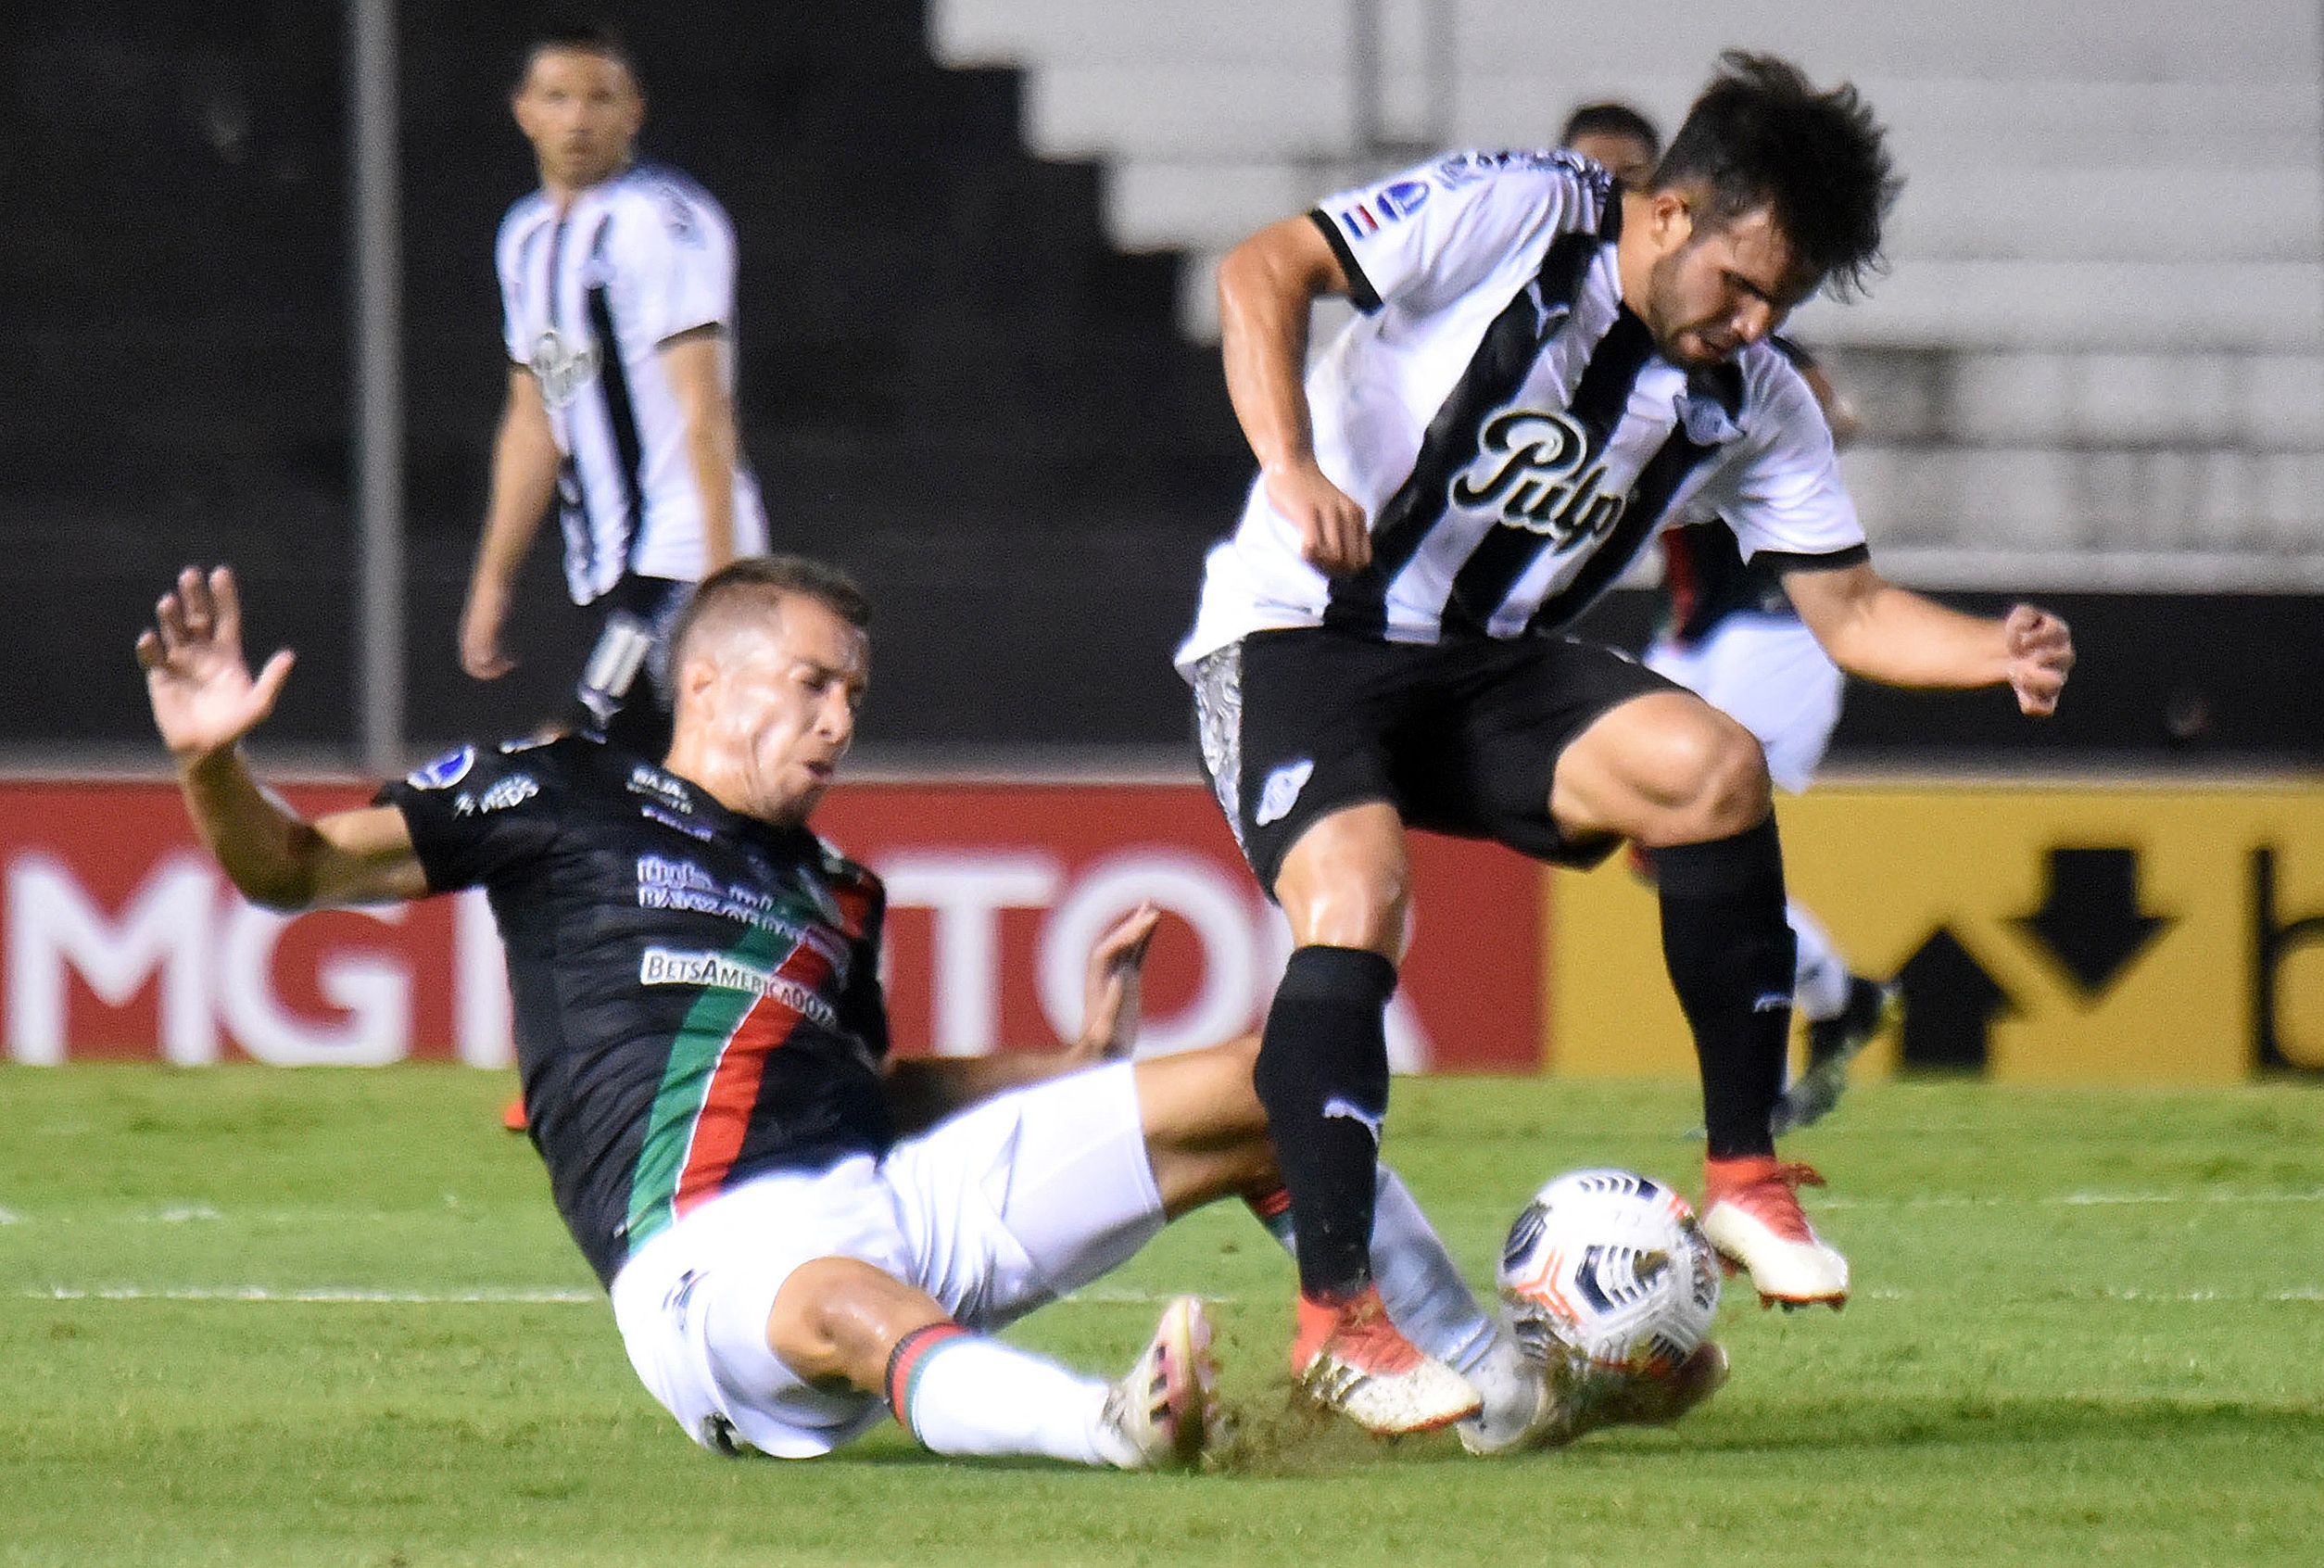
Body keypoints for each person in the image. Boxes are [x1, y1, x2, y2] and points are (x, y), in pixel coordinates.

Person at [135, 558, 1711, 1467]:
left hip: (890, 1195)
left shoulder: (835, 888)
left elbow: (868, 1085)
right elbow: (286, 870)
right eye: (813, 687)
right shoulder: (557, 793)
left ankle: (1489, 1378)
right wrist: (214, 757)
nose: (836, 723)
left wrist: (1071, 1066)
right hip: (705, 1262)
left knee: (1264, 1080)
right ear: (713, 681)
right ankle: (1107, 1426)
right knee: (836, 1297)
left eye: (853, 702)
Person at [1178, 52, 2074, 1426]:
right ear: (1669, 216)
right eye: (1742, 282)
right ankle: (1337, 1319)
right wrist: (1289, 465)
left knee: (1713, 769)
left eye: (1783, 299)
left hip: (1483, 670)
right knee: (1357, 899)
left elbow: (1855, 609)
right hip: (1297, 636)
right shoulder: (1521, 215)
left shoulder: (1752, 392)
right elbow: (1261, 270)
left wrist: (1988, 649)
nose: (1756, 320)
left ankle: (1741, 1171)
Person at [1561, 101, 1900, 1135]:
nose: (1604, 190)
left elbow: (1816, 398)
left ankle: (1778, 1070)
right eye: (1585, 172)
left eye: (1624, 170)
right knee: (1645, 831)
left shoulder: (1722, 320)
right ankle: (1839, 997)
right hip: (1695, 623)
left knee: (1686, 827)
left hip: (1776, 625)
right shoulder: (1567, 311)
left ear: (1667, 195)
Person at [459, 23, 768, 763]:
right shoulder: (525, 237)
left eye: (600, 98)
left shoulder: (660, 222)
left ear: (635, 110)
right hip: (606, 567)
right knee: (650, 789)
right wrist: (493, 581)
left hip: (684, 555)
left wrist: (722, 589)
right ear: (523, 111)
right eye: (558, 97)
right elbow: (535, 419)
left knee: (569, 757)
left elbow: (706, 409)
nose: (578, 119)